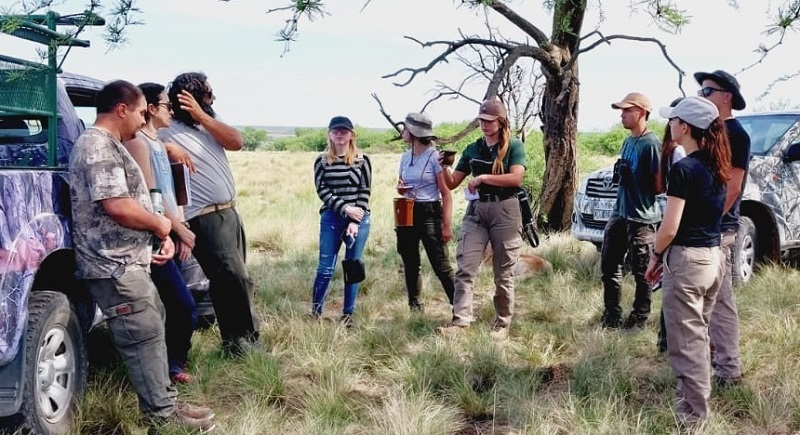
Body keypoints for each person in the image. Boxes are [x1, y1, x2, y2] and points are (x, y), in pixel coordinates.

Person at [69, 80, 214, 431]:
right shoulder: (97, 146)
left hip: (127, 259)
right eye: (137, 111)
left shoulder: (111, 145)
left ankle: (165, 404)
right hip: (112, 263)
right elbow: (118, 206)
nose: (140, 118)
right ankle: (162, 416)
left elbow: (131, 202)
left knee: (150, 327)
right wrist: (162, 225)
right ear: (121, 109)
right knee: (142, 335)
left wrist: (154, 233)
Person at [158, 72, 261, 357]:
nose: (213, 98)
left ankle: (236, 341)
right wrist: (167, 146)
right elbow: (141, 142)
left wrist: (202, 116)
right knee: (233, 279)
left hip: (228, 213)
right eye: (207, 94)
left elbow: (237, 141)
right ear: (187, 98)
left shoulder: (207, 125)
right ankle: (245, 345)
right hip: (203, 217)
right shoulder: (166, 129)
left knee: (234, 281)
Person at [645, 96, 732, 425]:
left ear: (685, 127)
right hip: (713, 258)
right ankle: (696, 401)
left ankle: (693, 418)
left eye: (673, 120)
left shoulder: (684, 169)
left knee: (686, 344)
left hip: (687, 262)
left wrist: (655, 256)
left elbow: (669, 228)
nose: (669, 125)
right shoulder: (717, 165)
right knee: (700, 334)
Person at [123, 82, 198, 384]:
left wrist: (181, 228)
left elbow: (169, 193)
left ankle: (169, 366)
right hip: (158, 236)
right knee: (182, 307)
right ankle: (168, 369)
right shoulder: (138, 143)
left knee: (174, 305)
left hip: (171, 231)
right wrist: (177, 230)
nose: (172, 111)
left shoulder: (156, 142)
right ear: (151, 109)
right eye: (167, 105)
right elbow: (151, 197)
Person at [437, 98, 526, 340]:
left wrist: (484, 178)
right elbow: (453, 182)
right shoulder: (473, 149)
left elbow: (516, 179)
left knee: (503, 272)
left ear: (501, 121)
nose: (484, 125)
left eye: (489, 121)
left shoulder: (514, 147)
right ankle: (460, 321)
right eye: (481, 120)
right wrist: (444, 166)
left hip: (505, 211)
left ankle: (502, 323)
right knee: (466, 266)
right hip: (477, 211)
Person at [695, 69, 751, 387]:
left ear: (726, 96)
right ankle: (709, 359)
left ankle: (729, 369)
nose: (702, 96)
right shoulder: (709, 132)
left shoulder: (736, 134)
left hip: (719, 228)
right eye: (701, 92)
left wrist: (710, 220)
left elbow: (732, 186)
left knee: (721, 299)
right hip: (702, 227)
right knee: (704, 299)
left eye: (707, 91)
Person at [600, 92, 661, 329]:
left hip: (642, 217)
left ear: (642, 112)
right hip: (620, 212)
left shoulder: (651, 144)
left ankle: (640, 318)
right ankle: (612, 315)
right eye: (621, 111)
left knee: (642, 272)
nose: (622, 115)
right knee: (609, 265)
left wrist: (636, 177)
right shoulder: (628, 141)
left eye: (627, 110)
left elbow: (659, 186)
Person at [312, 116, 372, 327]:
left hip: (358, 219)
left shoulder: (362, 159)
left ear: (351, 134)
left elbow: (364, 190)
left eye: (344, 131)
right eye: (335, 131)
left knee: (352, 266)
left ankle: (348, 314)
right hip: (332, 217)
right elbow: (322, 190)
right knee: (325, 268)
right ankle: (316, 312)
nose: (340, 135)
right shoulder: (321, 160)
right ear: (329, 134)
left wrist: (355, 219)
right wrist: (345, 209)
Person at [395, 112, 455, 311]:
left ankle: (460, 308)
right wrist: (401, 188)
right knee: (410, 263)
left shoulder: (434, 157)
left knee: (441, 265)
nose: (402, 131)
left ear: (413, 132)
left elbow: (446, 193)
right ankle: (415, 307)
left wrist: (446, 226)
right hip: (406, 210)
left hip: (429, 212)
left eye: (405, 128)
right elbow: (402, 184)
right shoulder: (405, 157)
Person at [655, 96, 687, 353]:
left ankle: (667, 340)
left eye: (673, 118)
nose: (669, 123)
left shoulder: (676, 151)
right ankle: (667, 340)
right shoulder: (676, 151)